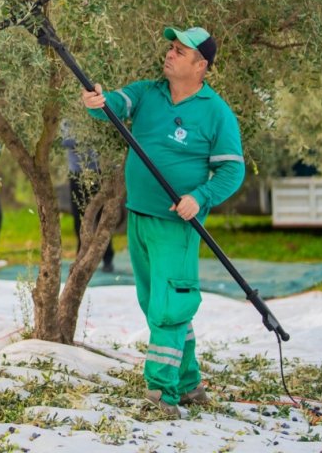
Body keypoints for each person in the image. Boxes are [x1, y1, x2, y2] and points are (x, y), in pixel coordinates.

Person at [81, 26, 245, 417]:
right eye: (170, 47)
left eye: (180, 51)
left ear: (201, 65)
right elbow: (114, 105)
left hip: (177, 225)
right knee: (154, 302)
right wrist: (95, 101)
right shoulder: (148, 93)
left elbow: (232, 172)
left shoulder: (215, 112)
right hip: (139, 218)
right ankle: (189, 384)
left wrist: (199, 198)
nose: (169, 54)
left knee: (170, 305)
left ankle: (162, 395)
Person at [60, 123, 115, 273]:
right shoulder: (70, 117)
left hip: (97, 172)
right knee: (79, 216)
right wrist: (85, 136)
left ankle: (107, 257)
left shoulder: (95, 115)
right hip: (77, 174)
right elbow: (64, 140)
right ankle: (81, 258)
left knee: (102, 217)